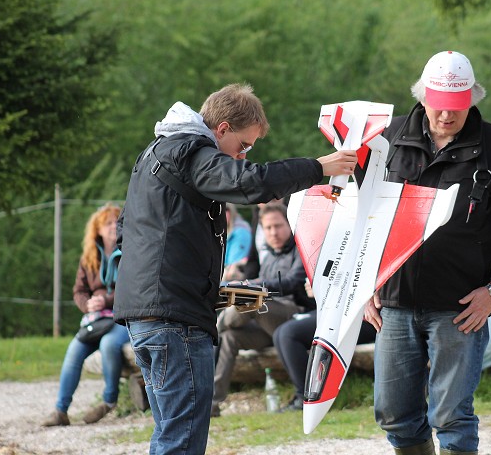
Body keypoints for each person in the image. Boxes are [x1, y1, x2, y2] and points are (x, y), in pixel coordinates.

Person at [113, 83, 357, 454]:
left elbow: (124, 233)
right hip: (174, 320)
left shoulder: (154, 155)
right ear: (222, 129)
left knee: (169, 432)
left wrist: (203, 285)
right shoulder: (191, 150)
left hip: (145, 316)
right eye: (243, 146)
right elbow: (248, 183)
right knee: (182, 439)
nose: (242, 157)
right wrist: (318, 167)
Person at [363, 50, 491, 455]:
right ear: (423, 97)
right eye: (439, 105)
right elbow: (361, 217)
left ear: (472, 100)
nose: (446, 115)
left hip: (461, 308)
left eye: (456, 106)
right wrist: (363, 283)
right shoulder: (386, 140)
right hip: (394, 301)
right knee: (392, 412)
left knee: (453, 416)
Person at [212, 203, 310, 417]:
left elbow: (294, 281)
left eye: (278, 226)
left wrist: (255, 286)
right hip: (267, 327)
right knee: (230, 337)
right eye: (268, 228)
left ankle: (214, 328)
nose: (273, 232)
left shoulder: (301, 249)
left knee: (252, 299)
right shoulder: (268, 255)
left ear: (289, 225)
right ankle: (211, 403)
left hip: (292, 316)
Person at [42, 203, 129, 427]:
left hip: (123, 315)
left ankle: (109, 401)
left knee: (110, 344)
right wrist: (88, 304)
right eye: (107, 223)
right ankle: (60, 411)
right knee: (73, 351)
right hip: (96, 318)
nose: (112, 227)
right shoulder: (89, 257)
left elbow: (133, 287)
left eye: (115, 222)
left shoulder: (131, 251)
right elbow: (78, 291)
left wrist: (107, 300)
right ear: (98, 229)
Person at [272, 280, 376, 412]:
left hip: (363, 317)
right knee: (279, 333)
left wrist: (326, 287)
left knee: (288, 334)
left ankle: (312, 397)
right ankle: (303, 395)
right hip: (336, 311)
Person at [222, 203, 253, 281]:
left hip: (235, 278)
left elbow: (233, 266)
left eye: (225, 210)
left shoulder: (241, 232)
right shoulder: (224, 231)